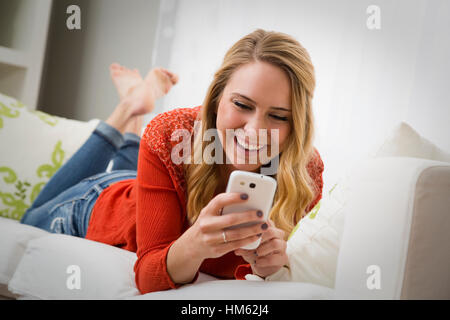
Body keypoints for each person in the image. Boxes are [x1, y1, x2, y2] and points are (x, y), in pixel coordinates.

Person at [21, 29, 324, 294]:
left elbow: (278, 269)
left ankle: (136, 103)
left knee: (134, 169)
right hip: (101, 203)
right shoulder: (171, 134)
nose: (256, 131)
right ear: (216, 98)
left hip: (146, 184)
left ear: (297, 122)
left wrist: (272, 265)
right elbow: (148, 278)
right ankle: (128, 107)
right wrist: (196, 243)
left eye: (279, 116)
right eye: (242, 104)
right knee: (28, 219)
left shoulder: (304, 173)